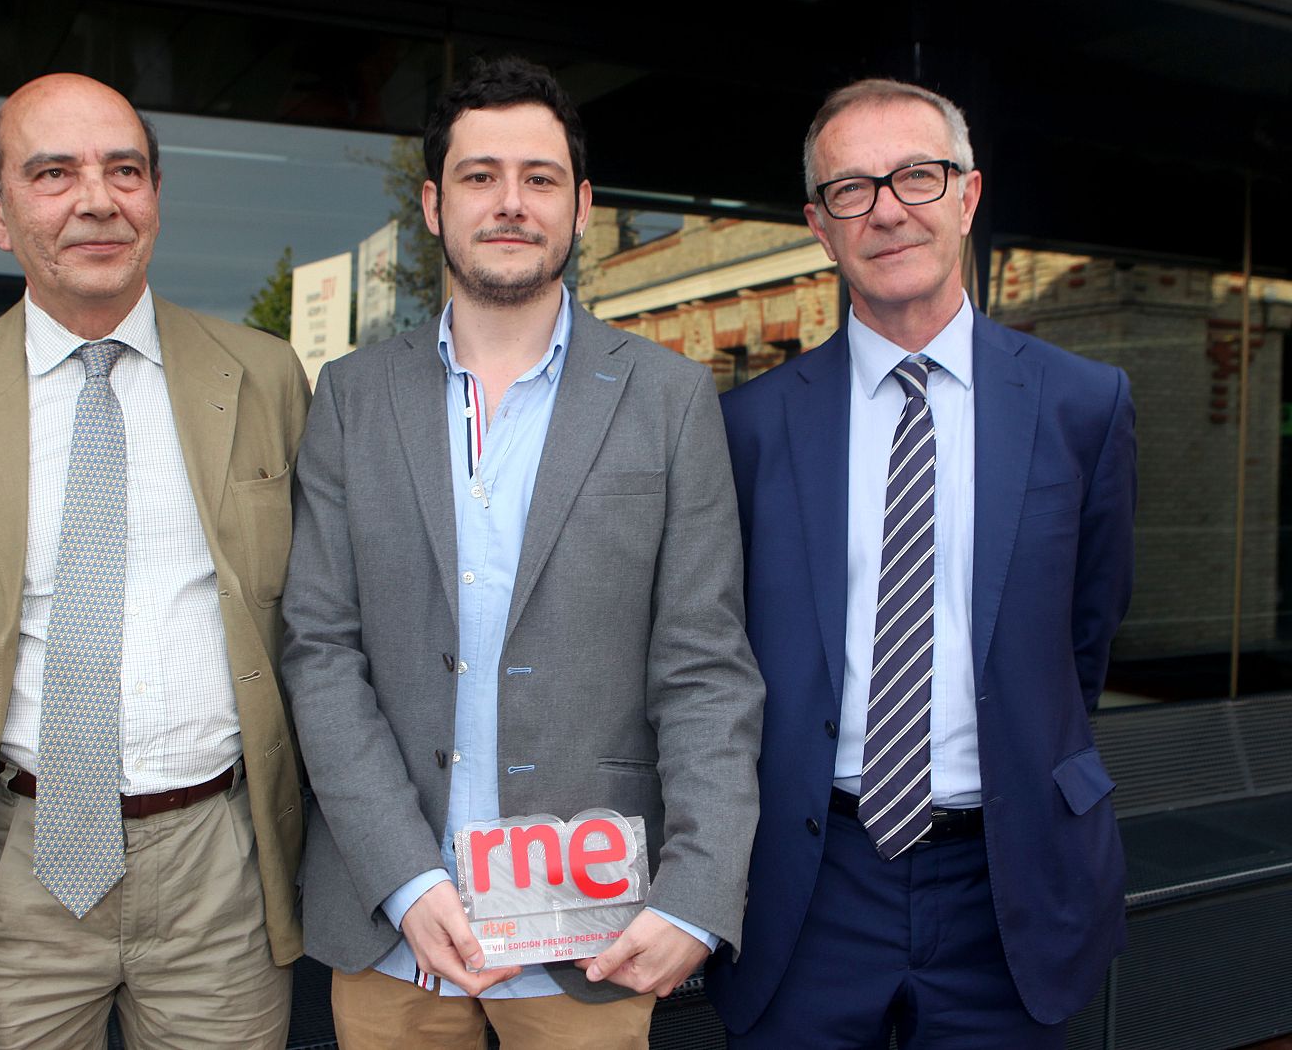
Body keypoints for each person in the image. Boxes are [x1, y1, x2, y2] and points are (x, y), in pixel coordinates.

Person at [280, 55, 764, 1049]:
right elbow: (318, 649)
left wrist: (696, 895)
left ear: (582, 206)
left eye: (539, 178)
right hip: (395, 929)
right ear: (431, 202)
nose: (511, 203)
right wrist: (405, 875)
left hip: (591, 939)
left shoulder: (669, 399)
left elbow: (706, 674)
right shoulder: (351, 395)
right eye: (478, 175)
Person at [0, 72, 308, 1050]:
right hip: (11, 873)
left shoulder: (265, 377)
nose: (96, 200)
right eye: (53, 172)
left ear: (154, 196)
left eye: (124, 170)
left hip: (217, 869)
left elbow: (305, 610)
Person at [707, 78, 1136, 1049]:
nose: (889, 207)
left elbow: (1085, 634)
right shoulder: (746, 427)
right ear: (818, 226)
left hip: (1010, 881)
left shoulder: (1082, 405)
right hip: (809, 880)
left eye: (916, 175)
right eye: (852, 189)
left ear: (967, 195)